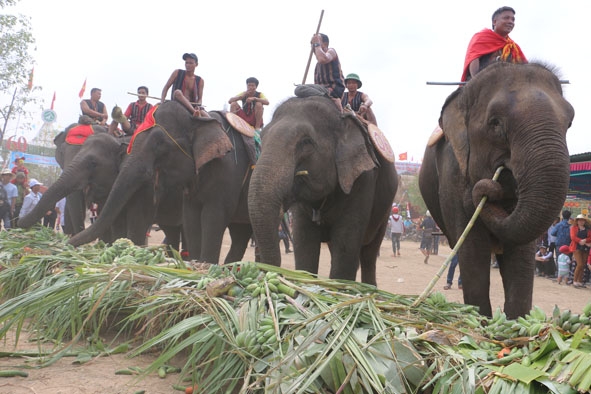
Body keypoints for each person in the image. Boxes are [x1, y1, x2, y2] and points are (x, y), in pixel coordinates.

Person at [461, 6, 527, 82]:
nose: (511, 22)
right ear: (494, 22)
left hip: (508, 84)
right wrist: (477, 82)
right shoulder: (481, 37)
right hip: (482, 83)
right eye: (506, 18)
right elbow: (473, 59)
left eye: (513, 19)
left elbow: (525, 68)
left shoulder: (513, 47)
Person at [161, 53, 205, 117]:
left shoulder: (200, 80)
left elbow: (200, 98)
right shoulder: (177, 72)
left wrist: (198, 106)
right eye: (186, 63)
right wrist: (162, 102)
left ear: (196, 64)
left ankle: (196, 111)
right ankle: (194, 112)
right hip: (177, 103)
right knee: (177, 92)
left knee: (207, 117)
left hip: (192, 105)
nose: (188, 65)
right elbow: (166, 87)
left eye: (191, 63)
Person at [310, 33, 345, 112]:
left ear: (325, 44)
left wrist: (316, 44)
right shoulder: (317, 65)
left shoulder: (331, 51)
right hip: (321, 89)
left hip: (334, 89)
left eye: (317, 41)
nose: (313, 46)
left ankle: (332, 98)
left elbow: (323, 59)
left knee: (300, 89)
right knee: (301, 91)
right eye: (312, 43)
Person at [569, 214, 591, 288]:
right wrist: (580, 241)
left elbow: (590, 237)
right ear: (577, 221)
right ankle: (575, 281)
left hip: (585, 248)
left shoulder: (587, 229)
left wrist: (585, 240)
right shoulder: (573, 228)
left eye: (583, 220)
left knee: (583, 264)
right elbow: (573, 237)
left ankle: (580, 281)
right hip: (577, 247)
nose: (581, 221)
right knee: (580, 264)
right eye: (580, 220)